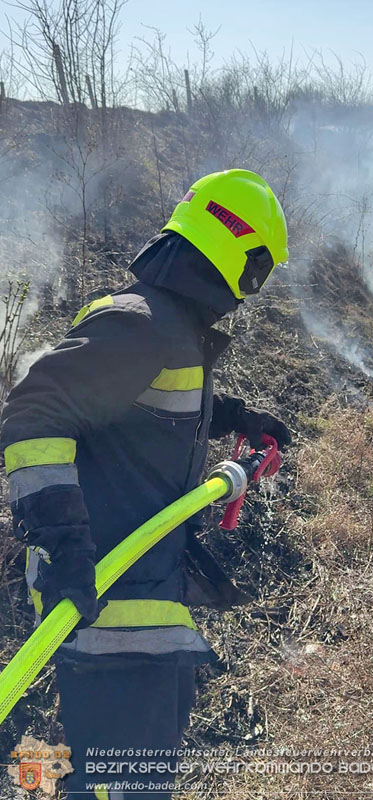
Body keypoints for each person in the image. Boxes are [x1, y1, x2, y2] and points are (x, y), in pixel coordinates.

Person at [0, 169, 291, 799]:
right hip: (111, 607)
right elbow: (32, 414)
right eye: (259, 272)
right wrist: (62, 539)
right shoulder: (143, 325)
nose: (251, 291)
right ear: (238, 257)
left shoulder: (167, 330)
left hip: (142, 602)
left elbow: (142, 416)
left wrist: (236, 418)